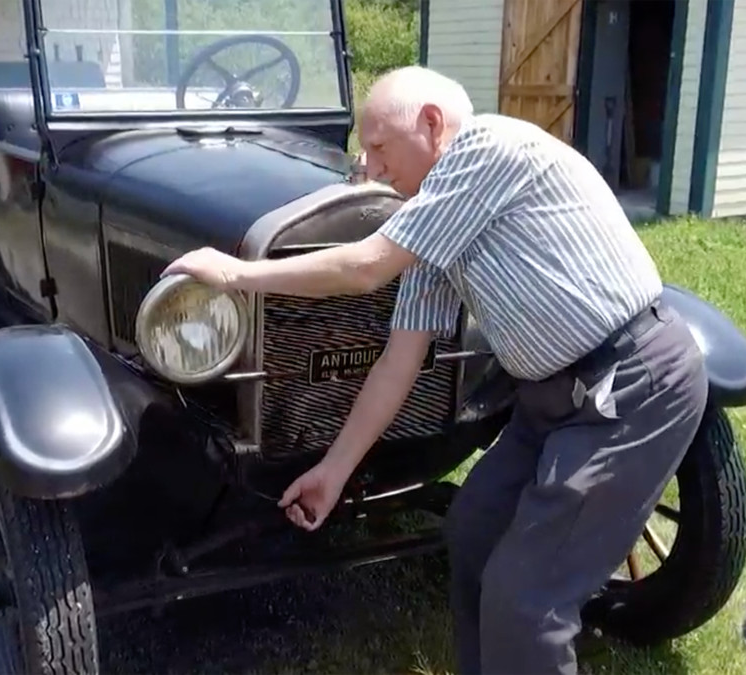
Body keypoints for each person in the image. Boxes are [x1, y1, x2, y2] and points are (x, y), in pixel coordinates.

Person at [160, 65, 709, 675]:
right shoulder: (431, 223)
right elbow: (401, 359)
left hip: (628, 384)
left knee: (526, 602)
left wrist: (235, 274)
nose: (369, 168)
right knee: (473, 532)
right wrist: (334, 471)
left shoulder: (488, 148)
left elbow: (364, 267)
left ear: (430, 124)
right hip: (551, 398)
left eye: (379, 147)